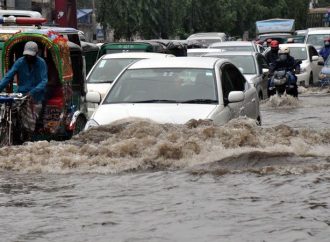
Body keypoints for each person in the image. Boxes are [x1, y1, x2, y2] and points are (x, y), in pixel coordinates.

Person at [0, 41, 48, 141]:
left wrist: (33, 92)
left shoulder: (41, 63)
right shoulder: (20, 62)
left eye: (31, 55)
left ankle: (28, 136)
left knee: (30, 123)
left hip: (35, 96)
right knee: (10, 109)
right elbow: (9, 76)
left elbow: (44, 81)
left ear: (36, 53)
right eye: (27, 55)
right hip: (21, 93)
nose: (29, 57)